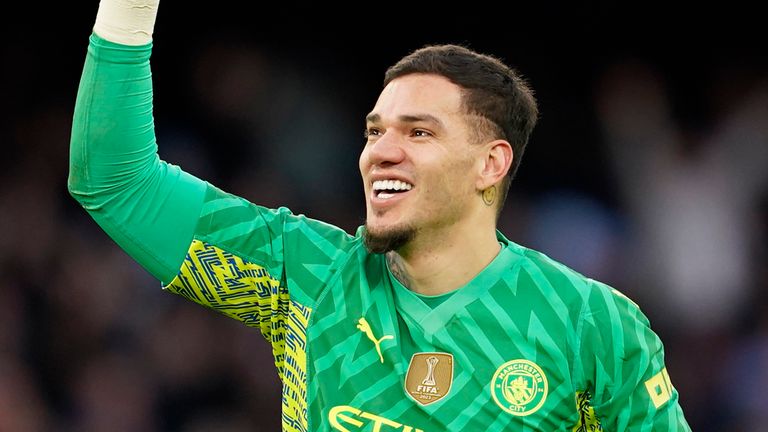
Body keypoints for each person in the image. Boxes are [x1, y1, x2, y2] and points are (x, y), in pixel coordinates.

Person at [69, 1, 691, 430]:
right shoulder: (304, 276)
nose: (380, 152)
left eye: (418, 132)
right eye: (374, 131)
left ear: (490, 164)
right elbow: (114, 178)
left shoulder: (592, 325)